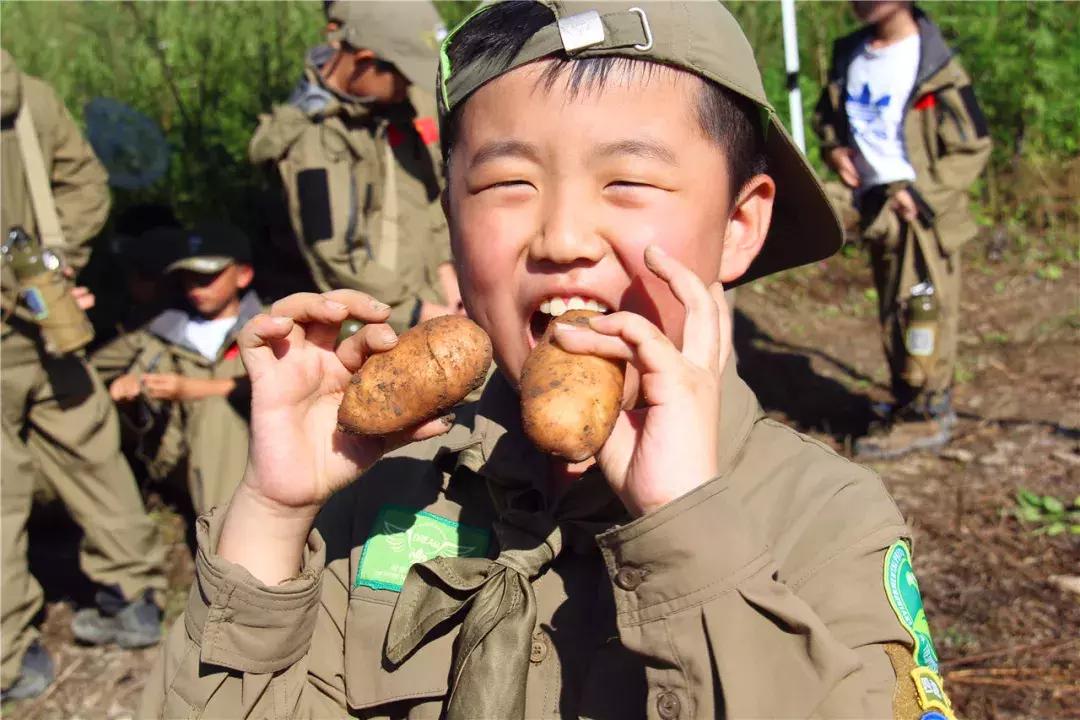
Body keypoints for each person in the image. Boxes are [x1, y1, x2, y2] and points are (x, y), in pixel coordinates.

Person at [143, 3, 956, 719]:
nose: (562, 238)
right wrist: (276, 515)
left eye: (630, 179)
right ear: (452, 218)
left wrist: (689, 537)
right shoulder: (380, 489)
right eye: (505, 183)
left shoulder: (823, 519)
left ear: (740, 226)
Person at [0, 49, 167, 701]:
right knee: (90, 447)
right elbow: (87, 185)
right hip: (51, 311)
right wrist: (56, 260)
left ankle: (10, 659)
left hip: (35, 313)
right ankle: (134, 597)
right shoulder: (28, 93)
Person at [814, 0, 991, 459]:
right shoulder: (850, 54)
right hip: (875, 206)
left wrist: (925, 194)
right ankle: (907, 399)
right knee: (894, 308)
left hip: (922, 213)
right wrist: (835, 151)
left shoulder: (935, 64)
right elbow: (828, 118)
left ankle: (928, 413)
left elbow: (973, 144)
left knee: (924, 310)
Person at [249, 1, 462, 333]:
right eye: (404, 75)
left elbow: (426, 200)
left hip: (441, 296)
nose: (411, 87)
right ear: (364, 62)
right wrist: (416, 310)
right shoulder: (316, 138)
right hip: (385, 320)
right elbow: (335, 255)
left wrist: (448, 273)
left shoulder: (391, 110)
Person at [94, 222, 261, 516]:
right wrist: (132, 395)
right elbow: (93, 371)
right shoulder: (157, 335)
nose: (195, 288)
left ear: (244, 275)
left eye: (207, 277)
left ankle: (225, 539)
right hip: (180, 458)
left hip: (258, 448)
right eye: (187, 278)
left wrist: (191, 390)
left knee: (215, 412)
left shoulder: (271, 326)